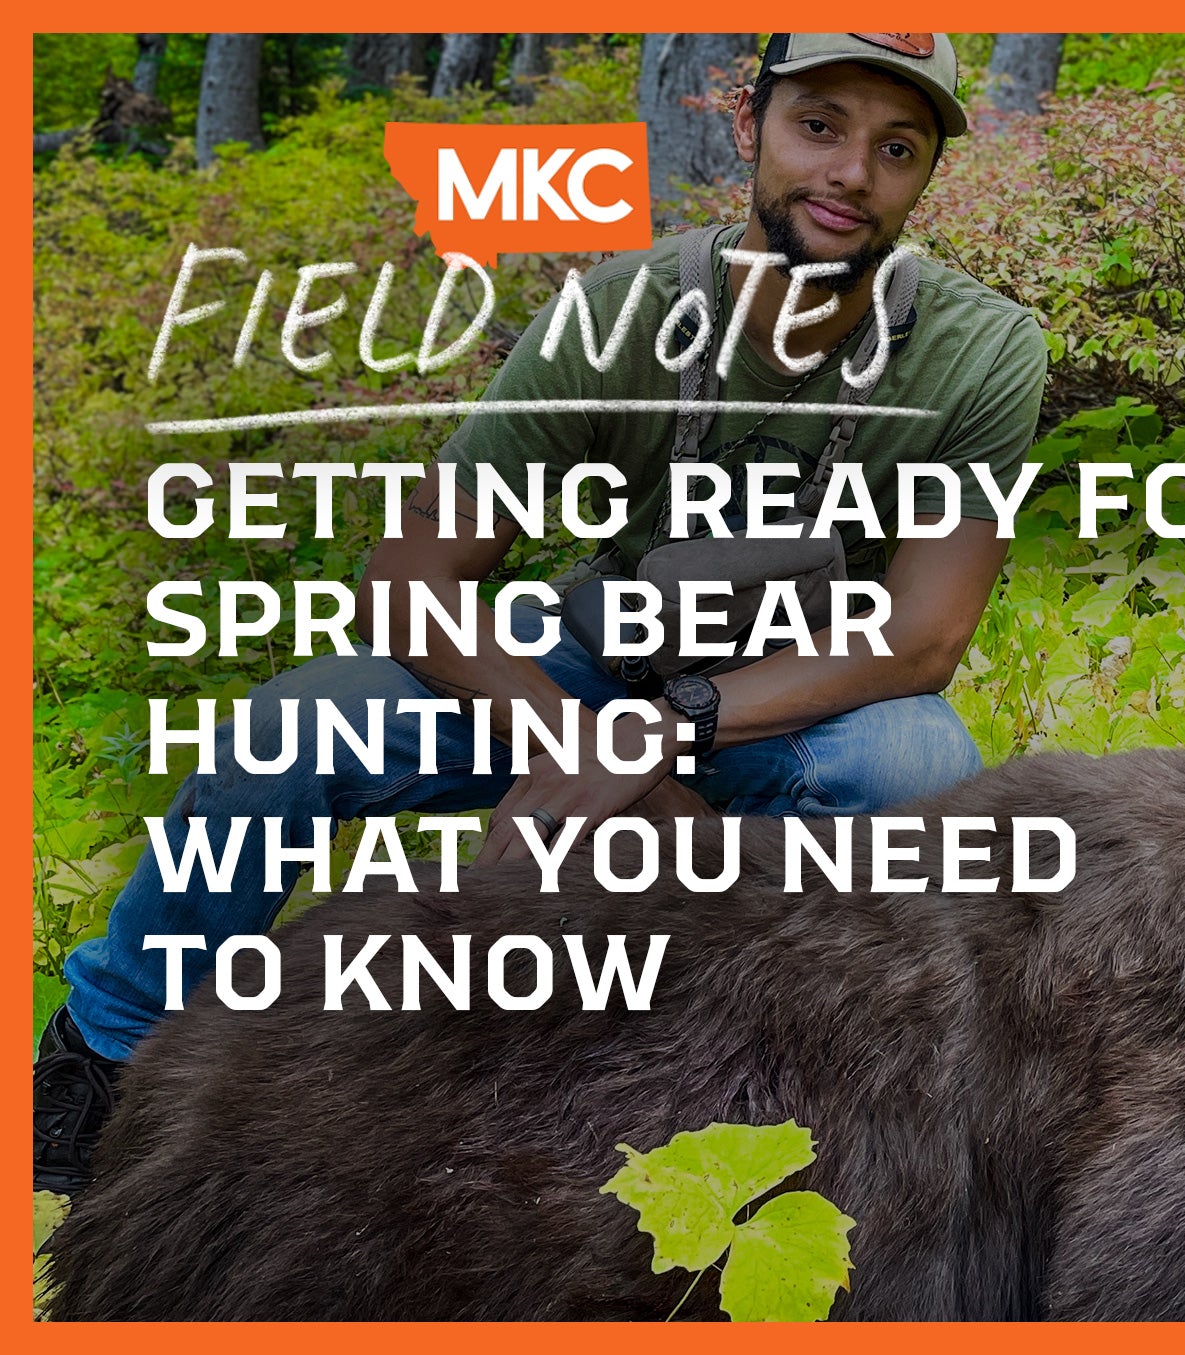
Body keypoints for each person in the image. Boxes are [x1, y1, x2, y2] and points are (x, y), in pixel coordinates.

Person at [35, 32, 1048, 1198]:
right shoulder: (617, 310)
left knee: (922, 758)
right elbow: (410, 573)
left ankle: (817, 1085)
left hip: (792, 706)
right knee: (292, 728)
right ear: (745, 126)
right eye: (817, 125)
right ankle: (102, 1057)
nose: (850, 173)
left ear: (923, 175)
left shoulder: (980, 349)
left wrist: (665, 736)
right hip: (592, 665)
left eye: (896, 147)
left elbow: (921, 638)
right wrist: (581, 741)